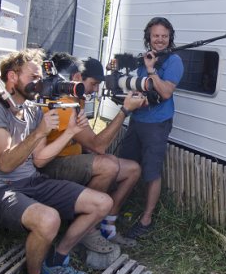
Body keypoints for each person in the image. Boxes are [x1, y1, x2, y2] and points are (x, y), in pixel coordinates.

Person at [0, 48, 113, 274]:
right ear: (12, 77)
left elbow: (41, 158)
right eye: (33, 77)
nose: (40, 83)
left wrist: (69, 132)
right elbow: (6, 163)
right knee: (49, 219)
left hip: (32, 181)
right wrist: (39, 132)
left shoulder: (31, 110)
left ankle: (57, 260)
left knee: (101, 203)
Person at [38, 53, 147, 248]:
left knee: (133, 169)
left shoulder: (75, 99)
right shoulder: (63, 105)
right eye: (94, 84)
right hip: (52, 165)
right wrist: (125, 111)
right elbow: (97, 145)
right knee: (108, 165)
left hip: (72, 159)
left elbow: (90, 143)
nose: (95, 90)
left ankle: (107, 225)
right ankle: (86, 227)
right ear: (77, 78)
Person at [119, 17, 184, 238]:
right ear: (149, 36)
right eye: (156, 35)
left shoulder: (174, 61)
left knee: (151, 171)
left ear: (170, 38)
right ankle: (116, 208)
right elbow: (137, 88)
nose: (160, 40)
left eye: (164, 36)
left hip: (157, 124)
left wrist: (151, 70)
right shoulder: (144, 58)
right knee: (125, 163)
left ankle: (146, 220)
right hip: (137, 120)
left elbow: (166, 93)